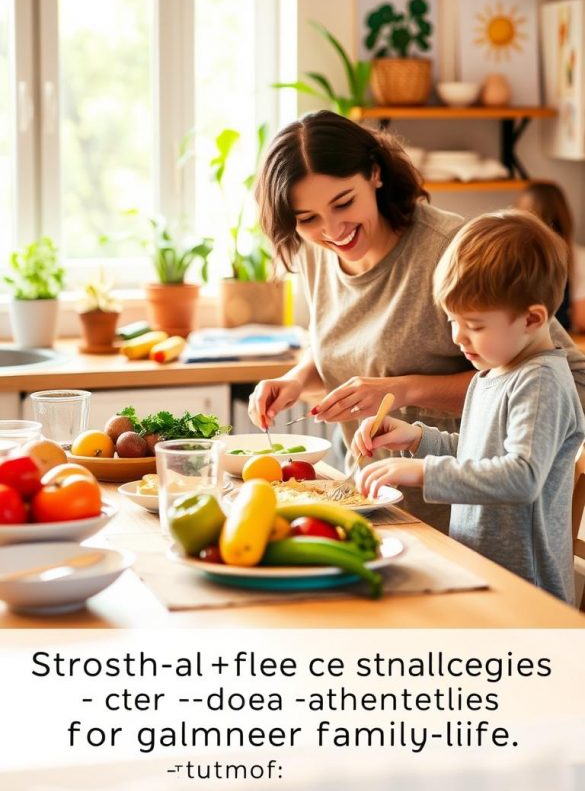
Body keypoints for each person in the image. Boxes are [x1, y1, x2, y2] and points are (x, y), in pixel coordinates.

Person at [248, 110, 585, 531]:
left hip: (462, 527)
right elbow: (348, 348)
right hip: (372, 506)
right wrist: (297, 380)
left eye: (343, 203)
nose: (332, 231)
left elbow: (568, 379)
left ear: (374, 173)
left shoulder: (450, 250)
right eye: (307, 219)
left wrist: (403, 390)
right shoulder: (320, 253)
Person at [352, 210, 585, 604]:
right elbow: (479, 453)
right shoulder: (492, 373)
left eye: (473, 325)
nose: (458, 337)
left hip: (524, 594)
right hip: (481, 571)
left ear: (532, 318)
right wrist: (417, 439)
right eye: (451, 320)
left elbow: (521, 476)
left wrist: (425, 471)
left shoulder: (540, 381)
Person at [516, 179, 585, 332]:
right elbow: (581, 319)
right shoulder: (577, 257)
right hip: (560, 341)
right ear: (565, 215)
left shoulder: (510, 255)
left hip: (516, 340)